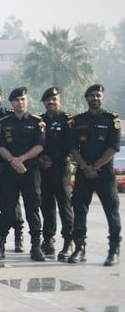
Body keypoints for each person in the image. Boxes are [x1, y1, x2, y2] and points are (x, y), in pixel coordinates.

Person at [67, 84, 120, 265]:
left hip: (104, 173)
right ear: (87, 98)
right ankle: (79, 248)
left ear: (102, 98)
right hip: (83, 172)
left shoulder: (112, 120)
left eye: (98, 96)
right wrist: (84, 166)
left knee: (111, 211)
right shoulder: (77, 121)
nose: (95, 98)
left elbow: (113, 147)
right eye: (92, 96)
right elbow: (73, 147)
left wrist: (95, 167)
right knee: (79, 210)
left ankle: (114, 249)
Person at [0, 87, 44, 261]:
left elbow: (39, 146)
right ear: (11, 103)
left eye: (22, 99)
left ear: (27, 101)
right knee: (7, 209)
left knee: (32, 209)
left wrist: (21, 159)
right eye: (16, 100)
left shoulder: (37, 122)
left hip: (30, 170)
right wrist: (13, 161)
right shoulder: (3, 122)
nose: (20, 103)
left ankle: (36, 246)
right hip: (9, 171)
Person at [38, 86, 74, 259]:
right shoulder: (40, 121)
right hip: (43, 170)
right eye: (48, 100)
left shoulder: (67, 121)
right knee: (46, 206)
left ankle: (69, 240)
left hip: (60, 169)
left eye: (54, 99)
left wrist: (53, 159)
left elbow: (70, 145)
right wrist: (41, 159)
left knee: (64, 206)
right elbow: (35, 142)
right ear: (44, 102)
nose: (51, 102)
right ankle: (48, 239)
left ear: (60, 101)